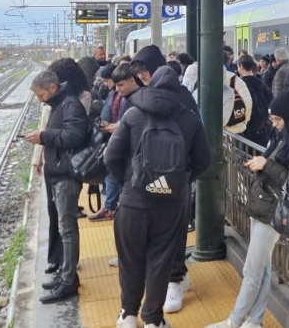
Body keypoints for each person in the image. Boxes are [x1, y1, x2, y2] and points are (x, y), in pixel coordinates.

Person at [105, 66, 211, 328]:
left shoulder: (132, 114)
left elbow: (110, 157)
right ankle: (153, 319)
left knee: (130, 260)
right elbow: (203, 161)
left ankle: (128, 315)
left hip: (132, 202)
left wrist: (129, 184)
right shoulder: (189, 119)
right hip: (170, 205)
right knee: (160, 261)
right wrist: (179, 183)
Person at [207, 92, 289, 328]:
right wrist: (262, 165)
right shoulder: (281, 136)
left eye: (278, 120)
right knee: (260, 267)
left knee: (253, 269)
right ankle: (255, 319)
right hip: (263, 207)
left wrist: (265, 164)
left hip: (272, 212)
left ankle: (235, 320)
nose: (274, 124)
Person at [24, 70, 89, 303]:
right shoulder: (61, 103)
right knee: (64, 228)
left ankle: (69, 281)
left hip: (66, 175)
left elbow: (74, 136)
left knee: (67, 229)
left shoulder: (70, 105)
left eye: (41, 95)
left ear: (52, 88)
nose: (40, 100)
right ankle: (65, 274)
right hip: (58, 172)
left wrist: (44, 135)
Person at [91, 63, 141, 222]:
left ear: (133, 80)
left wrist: (117, 128)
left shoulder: (136, 98)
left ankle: (112, 206)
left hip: (131, 151)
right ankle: (114, 205)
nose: (117, 89)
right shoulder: (130, 97)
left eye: (120, 85)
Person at [237, 55, 274, 146]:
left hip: (246, 130)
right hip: (263, 127)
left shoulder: (238, 86)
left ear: (241, 66)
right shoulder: (262, 84)